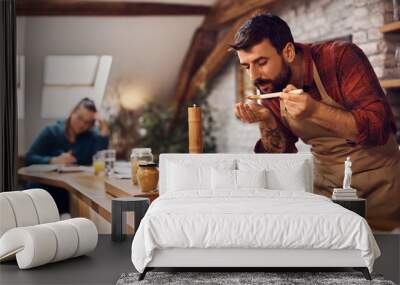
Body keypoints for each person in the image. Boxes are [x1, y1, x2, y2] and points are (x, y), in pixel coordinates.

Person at [232, 13, 400, 230]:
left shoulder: (339, 58)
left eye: (261, 62)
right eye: (247, 67)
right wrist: (266, 120)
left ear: (289, 52)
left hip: (382, 191)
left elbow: (378, 127)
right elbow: (280, 158)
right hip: (327, 193)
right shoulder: (270, 85)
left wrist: (314, 110)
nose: (254, 76)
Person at [25, 97, 110, 213]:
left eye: (87, 122)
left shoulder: (91, 137)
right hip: (44, 190)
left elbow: (99, 158)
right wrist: (53, 161)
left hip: (73, 192)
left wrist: (104, 125)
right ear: (72, 112)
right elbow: (29, 158)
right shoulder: (51, 132)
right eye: (80, 118)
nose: (82, 125)